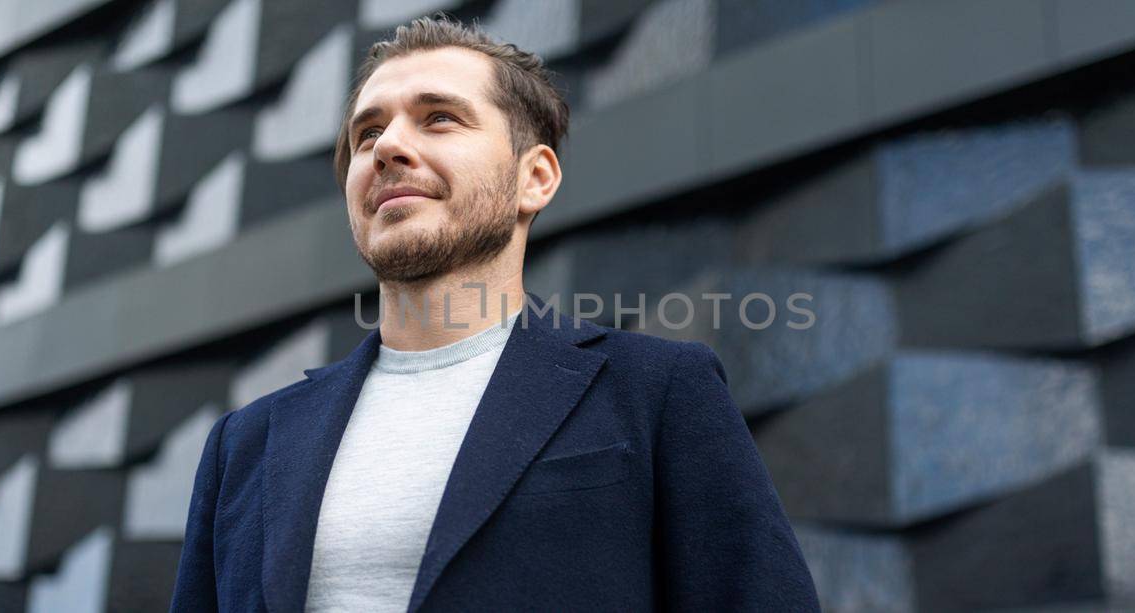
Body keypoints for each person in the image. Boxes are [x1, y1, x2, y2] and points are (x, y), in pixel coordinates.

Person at [170, 14, 819, 612]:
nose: (387, 146)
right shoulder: (245, 444)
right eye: (368, 131)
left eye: (439, 118)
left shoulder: (657, 393)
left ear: (534, 177)